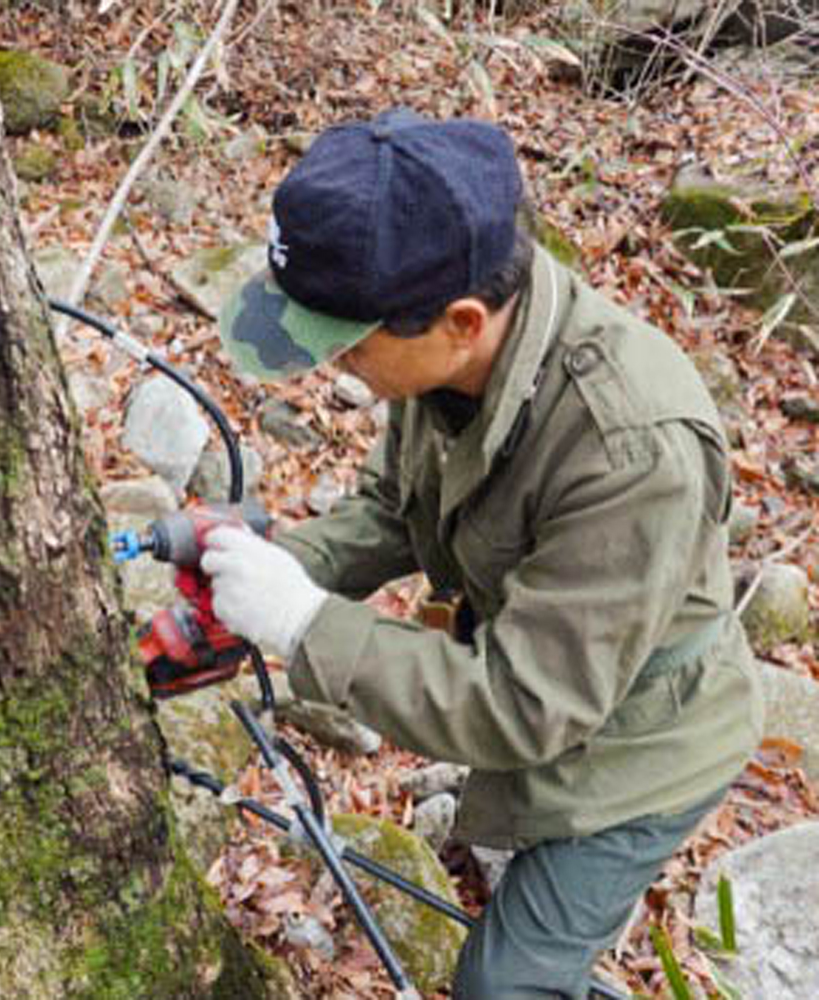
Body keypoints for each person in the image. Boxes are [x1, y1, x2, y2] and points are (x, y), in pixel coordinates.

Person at [200, 108, 763, 998]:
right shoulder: (444, 337)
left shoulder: (629, 448)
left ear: (461, 321)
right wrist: (269, 565)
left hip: (646, 738)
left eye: (344, 345)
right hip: (549, 672)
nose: (330, 369)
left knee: (507, 984)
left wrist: (305, 624)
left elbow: (525, 703)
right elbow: (396, 505)